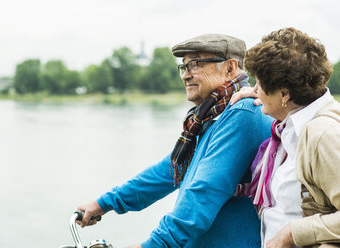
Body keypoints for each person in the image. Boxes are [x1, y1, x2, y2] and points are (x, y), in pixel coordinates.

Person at [76, 34, 272, 248]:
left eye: (195, 63)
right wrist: (103, 203)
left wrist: (152, 245)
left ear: (230, 68)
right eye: (184, 66)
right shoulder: (211, 118)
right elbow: (171, 170)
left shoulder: (243, 114)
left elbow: (202, 195)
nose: (185, 75)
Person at [230, 27, 340, 248]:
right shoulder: (289, 123)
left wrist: (291, 234)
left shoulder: (323, 134)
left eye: (259, 83)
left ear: (284, 94)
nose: (255, 89)